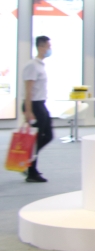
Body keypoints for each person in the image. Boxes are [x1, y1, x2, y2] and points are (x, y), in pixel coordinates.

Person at [21, 35, 52, 183]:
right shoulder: (32, 65)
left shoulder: (40, 65)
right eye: (48, 46)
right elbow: (28, 90)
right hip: (33, 105)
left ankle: (27, 161)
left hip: (41, 104)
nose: (50, 49)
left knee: (48, 135)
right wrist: (28, 111)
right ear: (41, 47)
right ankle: (31, 171)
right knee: (36, 138)